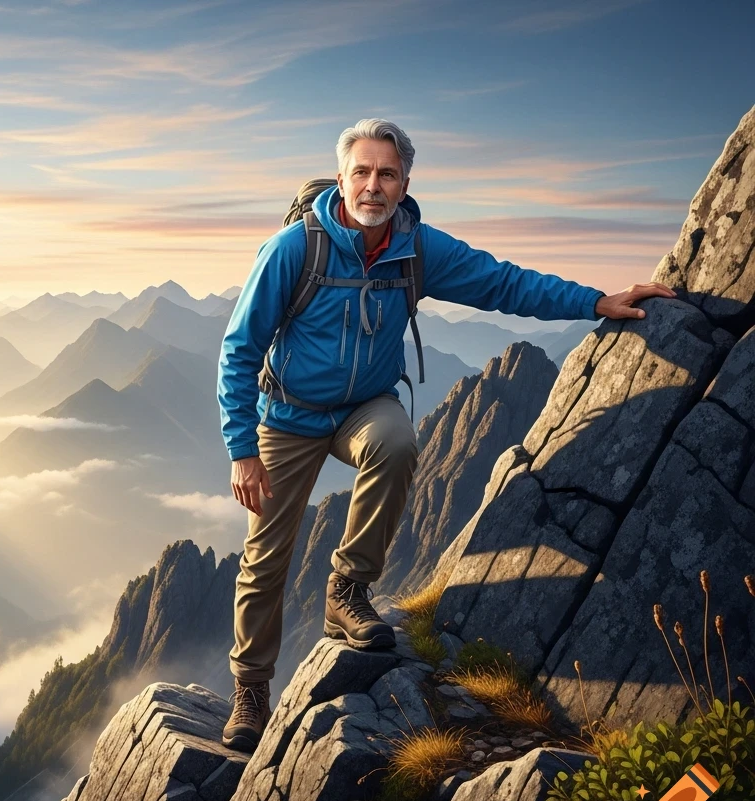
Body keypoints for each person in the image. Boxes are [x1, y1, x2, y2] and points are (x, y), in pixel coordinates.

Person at [214, 117, 677, 752]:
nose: (373, 186)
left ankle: (347, 587)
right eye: (362, 172)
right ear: (344, 178)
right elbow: (239, 350)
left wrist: (597, 301)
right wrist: (242, 449)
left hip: (362, 408)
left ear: (405, 183)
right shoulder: (294, 249)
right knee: (266, 556)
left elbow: (502, 282)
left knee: (398, 442)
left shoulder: (416, 249)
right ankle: (251, 691)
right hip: (288, 415)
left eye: (387, 174)